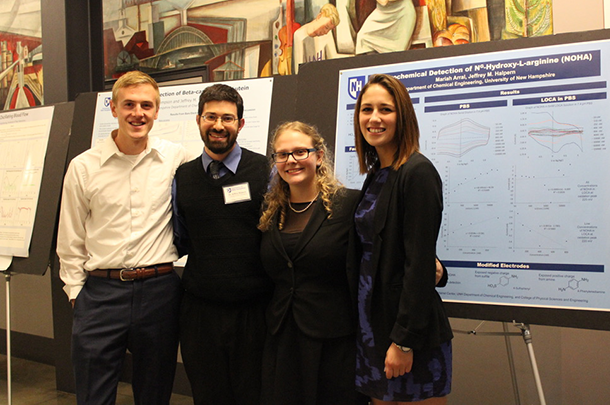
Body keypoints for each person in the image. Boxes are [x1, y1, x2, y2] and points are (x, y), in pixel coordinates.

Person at [57, 70, 191, 405]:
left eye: (146, 105)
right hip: (100, 295)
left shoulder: (176, 159)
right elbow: (70, 237)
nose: (138, 113)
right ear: (113, 108)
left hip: (159, 291)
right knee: (93, 394)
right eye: (129, 104)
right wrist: (76, 292)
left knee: (155, 392)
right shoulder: (84, 167)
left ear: (157, 112)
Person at [349, 73, 453, 404]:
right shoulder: (377, 176)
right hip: (373, 326)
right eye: (367, 110)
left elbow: (418, 259)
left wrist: (404, 341)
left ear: (403, 116)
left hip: (408, 334)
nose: (374, 118)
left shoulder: (417, 173)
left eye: (385, 109)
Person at [172, 83, 273, 405]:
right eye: (211, 117)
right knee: (207, 395)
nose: (218, 125)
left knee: (254, 395)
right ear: (199, 120)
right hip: (200, 312)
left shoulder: (265, 170)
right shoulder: (182, 177)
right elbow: (181, 235)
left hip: (255, 311)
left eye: (227, 118)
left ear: (240, 124)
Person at [258, 121, 363, 404]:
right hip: (282, 337)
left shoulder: (348, 204)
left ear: (318, 156)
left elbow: (378, 254)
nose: (291, 160)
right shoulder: (271, 212)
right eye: (282, 154)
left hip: (334, 339)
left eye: (300, 152)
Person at [292, 4, 349, 74]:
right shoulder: (300, 36)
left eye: (329, 29)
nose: (326, 32)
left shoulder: (327, 35)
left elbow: (333, 58)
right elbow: (298, 70)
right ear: (319, 17)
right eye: (326, 27)